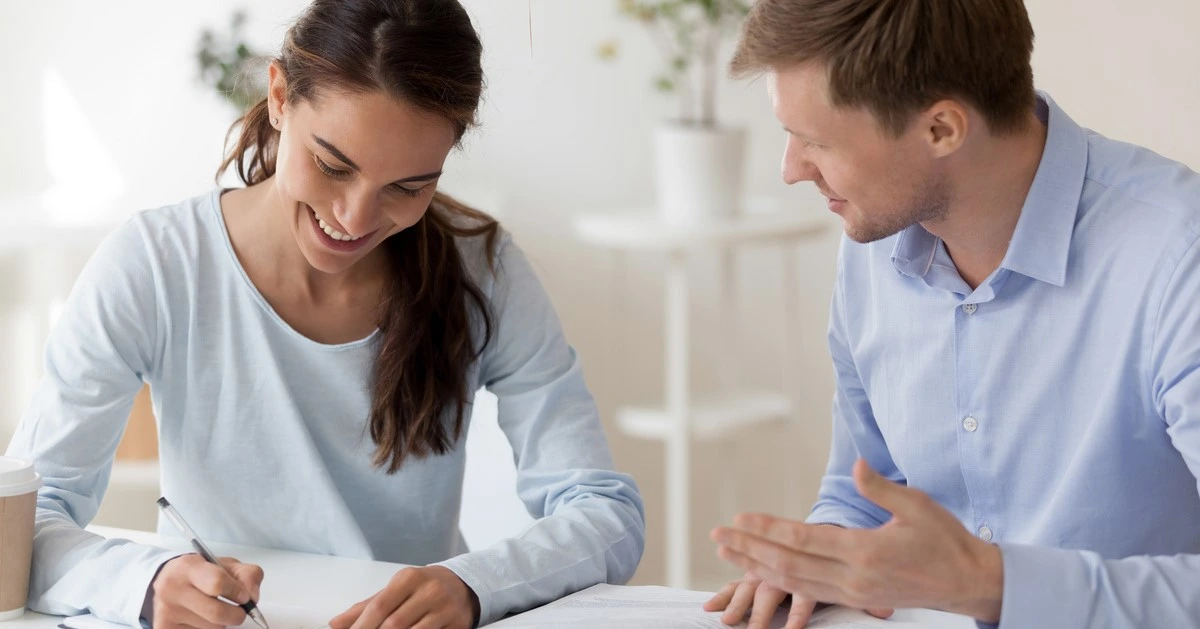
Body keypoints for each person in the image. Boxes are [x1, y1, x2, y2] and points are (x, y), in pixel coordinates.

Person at [5, 1, 645, 628]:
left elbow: (604, 510)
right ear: (279, 96)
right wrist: (145, 582)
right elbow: (21, 519)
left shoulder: (484, 269)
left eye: (408, 187)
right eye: (332, 165)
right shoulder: (155, 264)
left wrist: (475, 585)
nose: (355, 219)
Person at [702, 1, 1200, 628]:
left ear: (941, 129)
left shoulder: (1179, 258)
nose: (791, 171)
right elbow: (866, 487)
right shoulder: (873, 245)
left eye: (816, 142)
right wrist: (823, 553)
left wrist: (990, 585)